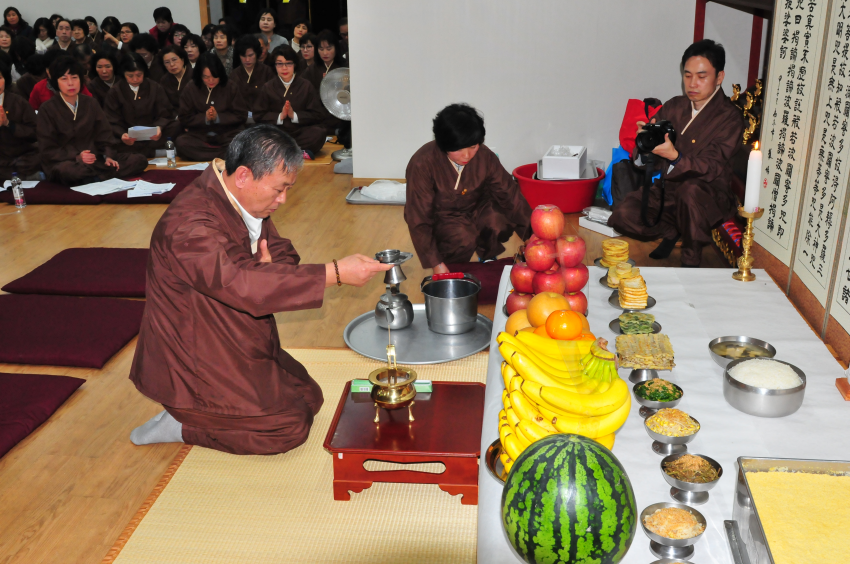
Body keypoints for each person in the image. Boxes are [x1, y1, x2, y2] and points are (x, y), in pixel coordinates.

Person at [127, 125, 392, 454]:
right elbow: (242, 285)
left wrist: (267, 271)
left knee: (310, 397)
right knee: (288, 428)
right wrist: (335, 272)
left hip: (233, 330)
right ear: (243, 175)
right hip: (193, 354)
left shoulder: (240, 198)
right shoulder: (189, 226)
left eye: (288, 189)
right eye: (279, 189)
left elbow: (281, 252)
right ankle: (183, 423)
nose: (283, 200)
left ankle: (204, 414)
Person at [607, 39, 744, 267]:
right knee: (622, 214)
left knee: (689, 192)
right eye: (687, 75)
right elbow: (645, 160)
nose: (692, 83)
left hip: (709, 196)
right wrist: (644, 144)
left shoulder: (730, 118)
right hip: (668, 191)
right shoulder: (674, 106)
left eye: (702, 76)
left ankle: (691, 260)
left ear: (719, 77)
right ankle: (673, 230)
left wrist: (675, 157)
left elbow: (711, 167)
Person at [404, 104, 532, 272]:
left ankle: (487, 255)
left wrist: (532, 236)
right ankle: (451, 264)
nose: (467, 155)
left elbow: (510, 195)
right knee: (463, 238)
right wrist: (436, 263)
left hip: (478, 207)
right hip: (443, 217)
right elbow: (418, 217)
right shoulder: (422, 163)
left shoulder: (485, 156)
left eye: (473, 146)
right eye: (458, 149)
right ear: (443, 144)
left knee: (497, 221)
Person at [36, 56, 147, 184]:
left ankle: (95, 177)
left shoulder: (91, 103)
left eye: (74, 77)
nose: (70, 83)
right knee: (68, 171)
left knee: (138, 160)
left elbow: (105, 135)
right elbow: (48, 148)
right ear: (56, 82)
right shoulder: (47, 108)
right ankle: (101, 176)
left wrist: (108, 156)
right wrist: (77, 156)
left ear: (81, 79)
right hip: (68, 161)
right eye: (64, 79)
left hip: (96, 159)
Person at [104, 52, 178, 158]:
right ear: (123, 74)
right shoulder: (115, 91)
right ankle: (153, 152)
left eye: (139, 75)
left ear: (144, 72)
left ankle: (138, 153)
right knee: (108, 139)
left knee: (176, 126)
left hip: (153, 134)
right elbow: (111, 120)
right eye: (130, 76)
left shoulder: (155, 87)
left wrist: (159, 127)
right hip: (129, 136)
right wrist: (122, 135)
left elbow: (165, 113)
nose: (135, 79)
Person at [255, 45, 325, 157]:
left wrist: (294, 115)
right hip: (277, 133)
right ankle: (296, 151)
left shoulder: (306, 85)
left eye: (288, 63)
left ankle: (283, 151)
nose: (284, 68)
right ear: (274, 65)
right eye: (279, 64)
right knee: (260, 136)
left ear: (295, 64)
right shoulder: (268, 87)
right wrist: (280, 116)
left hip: (300, 132)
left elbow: (317, 114)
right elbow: (258, 115)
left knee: (318, 133)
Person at [176, 52, 247, 161]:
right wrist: (205, 118)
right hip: (200, 134)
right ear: (200, 75)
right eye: (206, 77)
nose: (211, 80)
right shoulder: (191, 88)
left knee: (242, 142)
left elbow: (241, 115)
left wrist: (218, 117)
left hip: (227, 133)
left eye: (214, 76)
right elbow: (184, 117)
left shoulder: (231, 86)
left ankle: (211, 155)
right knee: (181, 143)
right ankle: (224, 155)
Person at [0, 62, 40, 181]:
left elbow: (35, 133)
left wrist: (8, 124)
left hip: (21, 157)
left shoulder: (18, 102)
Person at [28, 50, 93, 110]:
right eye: (48, 69)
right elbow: (32, 110)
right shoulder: (39, 88)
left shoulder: (76, 85)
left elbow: (90, 105)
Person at [231, 35, 274, 114]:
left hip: (263, 115)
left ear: (257, 53)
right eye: (243, 56)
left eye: (251, 55)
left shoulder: (267, 71)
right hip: (241, 116)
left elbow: (272, 98)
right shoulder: (234, 75)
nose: (247, 60)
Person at [303, 30, 345, 95]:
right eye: (321, 49)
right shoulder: (312, 69)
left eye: (329, 49)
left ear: (336, 48)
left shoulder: (344, 66)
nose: (325, 53)